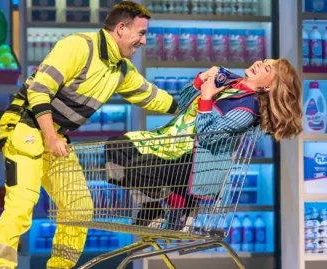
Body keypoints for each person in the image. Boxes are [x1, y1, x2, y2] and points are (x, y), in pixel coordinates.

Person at [0, 2, 178, 269]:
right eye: (141, 33)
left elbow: (152, 96)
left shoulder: (119, 69)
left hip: (56, 136)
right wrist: (51, 138)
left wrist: (197, 103)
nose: (144, 41)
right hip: (25, 128)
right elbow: (39, 90)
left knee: (78, 207)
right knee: (21, 206)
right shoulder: (78, 46)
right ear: (121, 28)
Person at [105, 59, 303, 229]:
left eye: (266, 69)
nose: (259, 64)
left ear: (268, 87)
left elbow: (208, 136)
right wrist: (202, 78)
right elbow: (181, 104)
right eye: (263, 61)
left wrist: (207, 97)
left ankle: (179, 205)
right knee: (116, 147)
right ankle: (153, 208)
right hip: (169, 142)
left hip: (193, 161)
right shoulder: (227, 80)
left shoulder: (247, 110)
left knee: (140, 168)